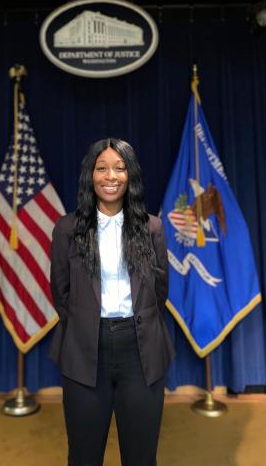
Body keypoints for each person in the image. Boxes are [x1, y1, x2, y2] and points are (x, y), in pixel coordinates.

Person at [49, 138, 175, 466]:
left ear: (130, 175)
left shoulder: (152, 228)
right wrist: (88, 322)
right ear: (90, 175)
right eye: (102, 168)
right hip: (86, 350)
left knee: (141, 457)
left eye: (120, 168)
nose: (111, 176)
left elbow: (160, 293)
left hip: (140, 350)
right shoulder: (67, 229)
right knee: (84, 456)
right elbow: (61, 293)